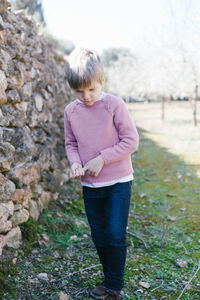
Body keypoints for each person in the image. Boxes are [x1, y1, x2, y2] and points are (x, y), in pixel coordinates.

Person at [64, 47, 139, 300]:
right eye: (79, 91)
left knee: (114, 234)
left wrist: (102, 159)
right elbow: (71, 144)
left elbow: (131, 141)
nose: (86, 97)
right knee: (98, 235)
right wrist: (75, 162)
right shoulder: (71, 112)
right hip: (90, 185)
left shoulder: (114, 105)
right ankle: (108, 279)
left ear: (102, 82)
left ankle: (115, 287)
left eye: (92, 90)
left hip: (118, 181)